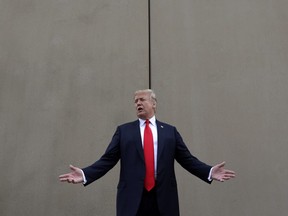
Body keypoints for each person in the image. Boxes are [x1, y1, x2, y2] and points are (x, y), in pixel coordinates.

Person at [59, 89, 235, 216]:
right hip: (132, 198)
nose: (138, 103)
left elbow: (188, 160)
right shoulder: (124, 131)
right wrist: (84, 174)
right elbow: (107, 160)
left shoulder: (170, 132)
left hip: (163, 198)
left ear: (154, 103)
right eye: (135, 101)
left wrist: (210, 171)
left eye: (142, 99)